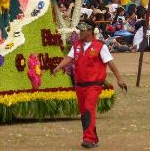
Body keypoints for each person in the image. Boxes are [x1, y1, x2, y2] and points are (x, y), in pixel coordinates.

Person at [53, 20, 126, 149]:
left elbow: (110, 63)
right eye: (80, 30)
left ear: (90, 31)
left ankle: (89, 139)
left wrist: (119, 79)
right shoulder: (76, 45)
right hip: (80, 85)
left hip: (94, 85)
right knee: (84, 113)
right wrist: (59, 67)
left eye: (83, 30)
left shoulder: (100, 46)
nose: (81, 32)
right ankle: (93, 138)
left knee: (88, 109)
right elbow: (69, 58)